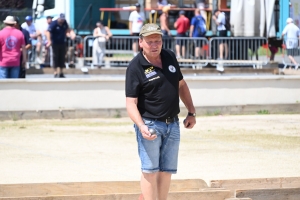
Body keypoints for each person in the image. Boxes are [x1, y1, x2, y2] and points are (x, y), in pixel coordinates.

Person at [125, 23, 196, 200]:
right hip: (149, 125)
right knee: (150, 170)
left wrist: (191, 112)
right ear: (140, 42)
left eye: (157, 41)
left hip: (172, 124)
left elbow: (181, 85)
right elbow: (130, 103)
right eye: (150, 42)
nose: (154, 45)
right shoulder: (135, 67)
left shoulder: (170, 56)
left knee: (166, 171)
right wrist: (141, 126)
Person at [46, 13, 73, 78]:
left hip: (62, 42)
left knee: (62, 57)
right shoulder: (54, 23)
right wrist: (49, 41)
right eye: (61, 19)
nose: (62, 21)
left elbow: (67, 29)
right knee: (55, 57)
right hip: (55, 43)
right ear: (58, 18)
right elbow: (48, 32)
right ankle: (55, 72)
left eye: (63, 19)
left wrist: (70, 34)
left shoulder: (64, 23)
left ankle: (61, 72)